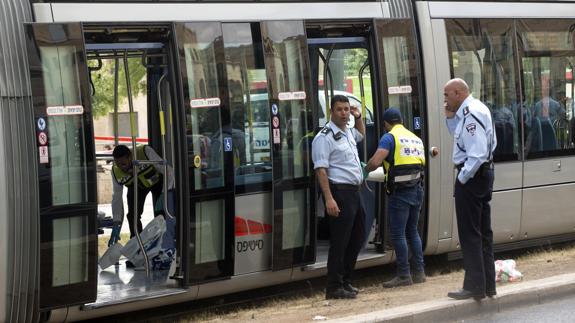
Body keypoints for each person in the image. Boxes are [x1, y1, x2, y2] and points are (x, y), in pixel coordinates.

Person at [443, 78, 497, 300]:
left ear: (458, 92)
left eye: (447, 95)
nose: (445, 99)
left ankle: (474, 286)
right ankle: (487, 285)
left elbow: (477, 153)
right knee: (483, 233)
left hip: (473, 177)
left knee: (470, 234)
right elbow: (460, 136)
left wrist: (463, 178)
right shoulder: (475, 109)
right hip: (483, 175)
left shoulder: (471, 114)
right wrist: (448, 117)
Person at [364, 107, 426, 288]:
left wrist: (364, 170)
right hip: (417, 189)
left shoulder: (389, 137)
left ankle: (404, 274)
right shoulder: (415, 138)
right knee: (412, 231)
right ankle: (419, 272)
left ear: (386, 123)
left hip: (400, 193)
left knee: (398, 234)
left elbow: (376, 161)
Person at [312, 94, 366, 300]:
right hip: (339, 193)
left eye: (346, 109)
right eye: (339, 110)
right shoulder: (324, 137)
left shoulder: (347, 132)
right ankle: (334, 287)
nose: (344, 113)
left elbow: (361, 134)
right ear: (331, 112)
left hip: (354, 192)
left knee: (357, 237)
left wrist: (358, 115)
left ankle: (346, 281)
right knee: (340, 242)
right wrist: (329, 199)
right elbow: (321, 170)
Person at [108, 145, 174, 249]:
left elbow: (168, 171)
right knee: (132, 216)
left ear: (130, 157)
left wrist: (164, 193)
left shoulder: (145, 152)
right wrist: (116, 222)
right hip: (135, 186)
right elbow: (116, 197)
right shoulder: (115, 172)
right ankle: (137, 246)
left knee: (160, 213)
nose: (121, 168)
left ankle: (163, 245)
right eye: (118, 164)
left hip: (157, 182)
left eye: (123, 164)